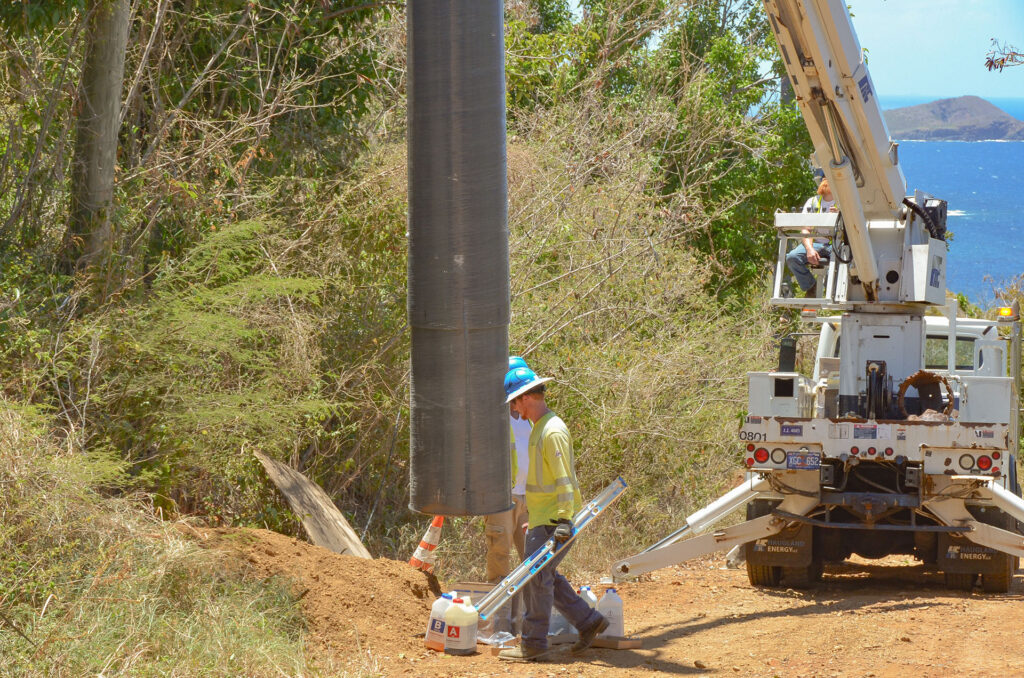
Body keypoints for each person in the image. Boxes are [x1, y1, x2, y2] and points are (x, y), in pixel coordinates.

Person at [498, 367, 608, 662]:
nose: (513, 408)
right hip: (543, 518)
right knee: (544, 576)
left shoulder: (552, 430)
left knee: (537, 580)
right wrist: (534, 517)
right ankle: (588, 621)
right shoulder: (540, 427)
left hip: (554, 521)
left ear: (524, 399)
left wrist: (563, 520)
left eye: (514, 402)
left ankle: (533, 643)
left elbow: (563, 480)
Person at [482, 356, 533, 634]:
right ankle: (498, 624)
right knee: (499, 556)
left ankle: (527, 623)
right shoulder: (494, 418)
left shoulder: (529, 418)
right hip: (502, 497)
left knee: (533, 560)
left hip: (528, 498)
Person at [785, 176, 838, 298]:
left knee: (843, 262)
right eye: (824, 179)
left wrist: (840, 215)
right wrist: (809, 249)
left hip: (837, 244)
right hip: (816, 243)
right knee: (792, 258)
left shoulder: (845, 202)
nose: (826, 183)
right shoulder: (813, 202)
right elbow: (806, 229)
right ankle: (810, 287)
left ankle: (834, 293)